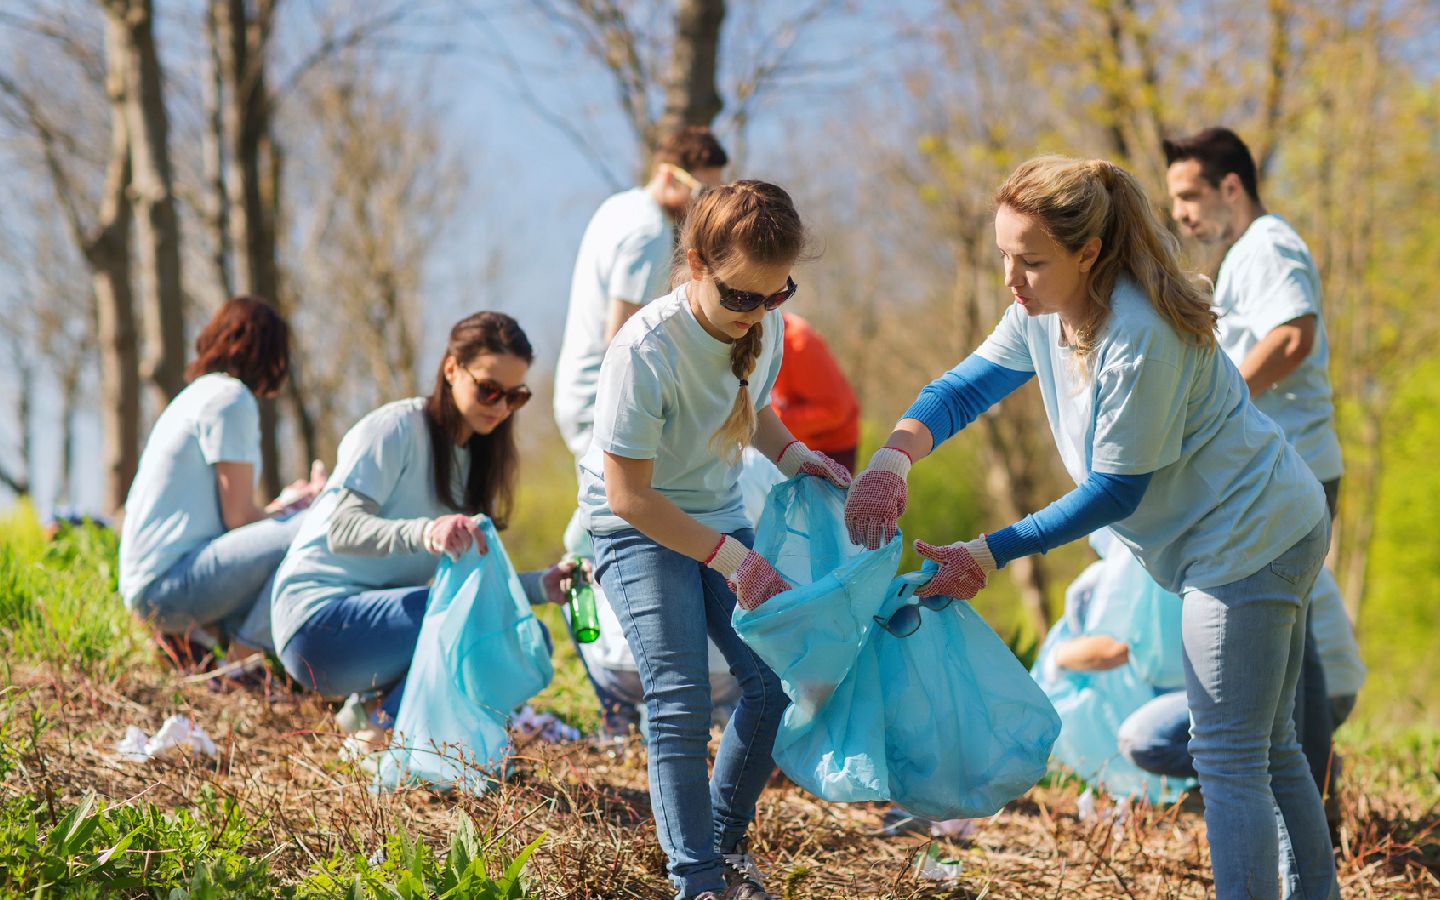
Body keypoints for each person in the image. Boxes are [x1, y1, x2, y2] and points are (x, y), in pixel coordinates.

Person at [845, 157, 1337, 899]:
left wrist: (989, 551)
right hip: (1257, 523)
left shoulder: (1138, 332)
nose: (1012, 278)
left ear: (1089, 253)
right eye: (1004, 255)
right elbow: (962, 389)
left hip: (1248, 538)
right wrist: (893, 457)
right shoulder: (1044, 312)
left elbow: (1115, 490)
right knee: (1269, 750)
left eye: (1031, 261)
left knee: (1232, 758)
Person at [580, 181, 852, 900]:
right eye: (739, 296)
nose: (755, 313)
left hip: (715, 511)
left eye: (775, 294)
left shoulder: (757, 333)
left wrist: (798, 457)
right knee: (679, 695)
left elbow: (753, 410)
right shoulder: (644, 350)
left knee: (768, 685)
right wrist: (734, 557)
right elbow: (628, 496)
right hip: (634, 527)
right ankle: (696, 879)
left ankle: (725, 845)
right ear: (696, 262)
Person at [269, 312, 574, 747]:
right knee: (483, 628)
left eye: (515, 397)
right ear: (451, 368)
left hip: (373, 629)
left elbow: (473, 586)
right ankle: (379, 727)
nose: (501, 407)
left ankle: (370, 715)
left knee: (527, 635)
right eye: (489, 390)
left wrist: (541, 586)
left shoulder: (474, 462)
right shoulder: (394, 429)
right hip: (316, 626)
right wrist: (425, 531)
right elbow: (341, 528)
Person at [1165, 126, 1350, 801]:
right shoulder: (1246, 255)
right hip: (1286, 475)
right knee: (1291, 650)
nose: (1182, 213)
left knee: (1285, 657)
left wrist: (1224, 402)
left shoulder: (1269, 245)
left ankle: (1305, 809)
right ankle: (1315, 804)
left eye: (1190, 195)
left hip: (1293, 473)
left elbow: (1293, 335)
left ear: (1231, 187)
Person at [119, 295, 323, 665]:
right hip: (167, 587)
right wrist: (299, 513)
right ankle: (245, 661)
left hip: (149, 585)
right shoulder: (231, 398)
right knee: (316, 527)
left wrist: (285, 506)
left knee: (299, 524)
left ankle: (196, 642)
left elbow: (227, 520)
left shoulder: (196, 396)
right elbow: (239, 520)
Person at [553, 126, 729, 460]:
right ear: (668, 176)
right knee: (620, 508)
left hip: (578, 391)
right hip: (603, 401)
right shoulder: (650, 232)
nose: (704, 206)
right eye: (702, 192)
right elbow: (623, 336)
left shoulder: (619, 206)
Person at [770, 312, 860, 473]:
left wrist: (773, 421)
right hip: (786, 446)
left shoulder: (799, 342)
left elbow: (834, 410)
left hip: (829, 452)